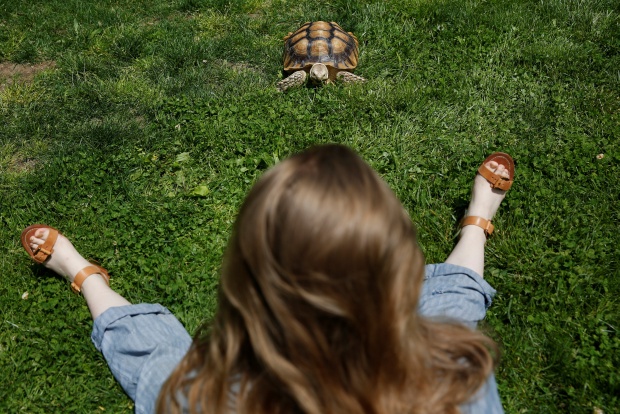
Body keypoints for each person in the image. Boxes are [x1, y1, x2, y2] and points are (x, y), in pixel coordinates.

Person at [21, 145, 514, 414]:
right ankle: (477, 222)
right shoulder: (457, 382)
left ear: (245, 287)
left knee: (157, 364)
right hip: (413, 365)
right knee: (454, 312)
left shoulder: (206, 397)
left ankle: (84, 276)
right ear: (402, 276)